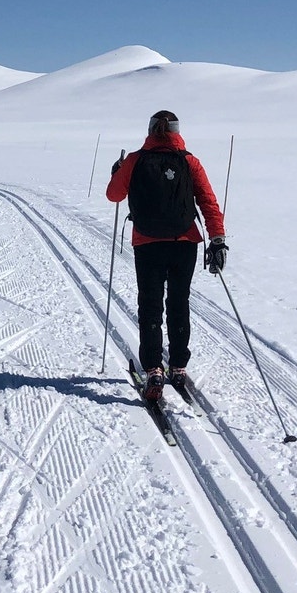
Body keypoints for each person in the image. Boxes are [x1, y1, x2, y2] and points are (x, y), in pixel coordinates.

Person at [105, 110, 227, 402]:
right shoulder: (189, 161)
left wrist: (116, 172)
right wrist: (218, 239)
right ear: (176, 130)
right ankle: (179, 365)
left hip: (147, 243)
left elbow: (114, 196)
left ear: (150, 129)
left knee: (150, 304)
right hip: (185, 242)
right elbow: (208, 202)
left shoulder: (134, 160)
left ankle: (153, 369)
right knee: (178, 302)